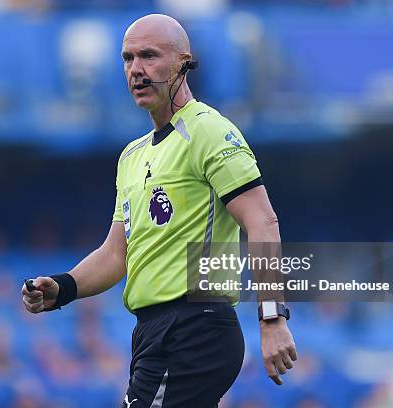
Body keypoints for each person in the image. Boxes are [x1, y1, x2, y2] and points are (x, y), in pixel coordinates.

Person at [22, 14, 297, 408]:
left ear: (184, 62)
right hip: (152, 334)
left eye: (149, 56)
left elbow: (263, 220)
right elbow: (116, 254)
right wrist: (64, 287)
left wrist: (272, 319)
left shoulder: (209, 131)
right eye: (128, 58)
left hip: (194, 327)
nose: (136, 69)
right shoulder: (132, 156)